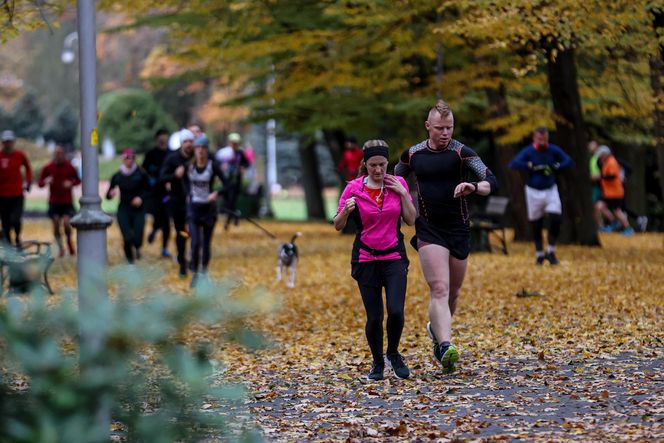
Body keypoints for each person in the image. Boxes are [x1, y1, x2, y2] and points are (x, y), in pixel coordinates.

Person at [395, 100, 497, 374]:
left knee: (453, 292)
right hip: (428, 228)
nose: (445, 133)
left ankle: (436, 329)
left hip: (459, 228)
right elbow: (396, 178)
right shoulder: (413, 155)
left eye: (449, 128)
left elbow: (490, 180)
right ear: (428, 126)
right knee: (439, 288)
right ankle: (444, 346)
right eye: (439, 128)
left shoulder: (462, 153)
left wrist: (472, 186)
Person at [334, 139, 416, 381]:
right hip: (366, 259)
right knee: (374, 317)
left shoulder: (397, 183)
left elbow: (411, 220)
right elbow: (338, 225)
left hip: (394, 258)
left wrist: (403, 194)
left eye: (382, 164)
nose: (379, 170)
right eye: (373, 165)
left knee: (397, 311)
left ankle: (393, 353)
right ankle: (377, 362)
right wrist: (346, 211)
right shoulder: (353, 188)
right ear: (365, 164)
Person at [508, 127, 573, 265]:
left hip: (550, 189)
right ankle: (539, 254)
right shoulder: (529, 151)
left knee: (555, 217)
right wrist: (528, 165)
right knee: (536, 223)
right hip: (533, 191)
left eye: (545, 139)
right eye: (539, 139)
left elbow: (568, 161)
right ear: (534, 138)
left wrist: (557, 166)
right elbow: (513, 164)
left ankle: (550, 251)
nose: (542, 142)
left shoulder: (553, 150)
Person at [186, 135, 226, 288]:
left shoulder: (213, 166)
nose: (200, 151)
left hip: (209, 210)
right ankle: (195, 274)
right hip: (194, 209)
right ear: (194, 150)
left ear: (207, 150)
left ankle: (204, 273)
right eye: (198, 148)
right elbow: (182, 183)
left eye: (203, 148)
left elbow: (228, 185)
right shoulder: (188, 166)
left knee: (206, 244)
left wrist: (217, 193)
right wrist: (186, 195)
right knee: (195, 243)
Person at [160, 129, 195, 277]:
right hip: (177, 202)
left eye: (190, 142)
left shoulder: (198, 156)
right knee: (181, 233)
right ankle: (182, 261)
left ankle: (194, 261)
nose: (188, 144)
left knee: (194, 232)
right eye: (185, 142)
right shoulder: (172, 158)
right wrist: (175, 175)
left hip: (195, 202)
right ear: (181, 144)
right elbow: (162, 177)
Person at [106, 149, 150, 264]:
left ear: (134, 159)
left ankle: (137, 248)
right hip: (123, 209)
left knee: (137, 237)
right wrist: (111, 194)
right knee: (127, 237)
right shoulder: (117, 175)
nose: (128, 161)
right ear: (122, 160)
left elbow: (149, 190)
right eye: (126, 158)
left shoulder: (141, 173)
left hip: (138, 210)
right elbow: (108, 195)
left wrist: (140, 198)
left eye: (130, 158)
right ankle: (130, 261)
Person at [37, 144, 81, 257]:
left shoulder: (69, 167)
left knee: (67, 223)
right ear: (54, 155)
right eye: (56, 153)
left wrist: (70, 183)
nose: (59, 156)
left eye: (61, 153)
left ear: (64, 154)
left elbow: (78, 180)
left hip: (67, 201)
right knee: (56, 224)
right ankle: (60, 247)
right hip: (54, 201)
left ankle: (69, 242)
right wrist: (46, 181)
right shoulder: (48, 167)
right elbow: (40, 183)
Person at [142, 128, 172, 258]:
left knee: (166, 220)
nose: (163, 138)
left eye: (165, 135)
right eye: (160, 136)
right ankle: (155, 229)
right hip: (154, 193)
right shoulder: (151, 154)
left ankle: (164, 247)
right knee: (157, 216)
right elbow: (144, 171)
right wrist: (150, 181)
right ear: (157, 138)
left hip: (168, 194)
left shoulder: (172, 154)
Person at [0, 130, 32, 247]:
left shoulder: (19, 155)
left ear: (13, 142)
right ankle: (9, 245)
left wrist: (28, 182)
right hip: (2, 195)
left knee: (15, 220)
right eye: (5, 142)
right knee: (6, 222)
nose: (8, 144)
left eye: (10, 142)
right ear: (2, 143)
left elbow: (28, 168)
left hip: (17, 194)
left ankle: (18, 237)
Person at [594, 145, 635, 235]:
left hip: (615, 192)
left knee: (617, 211)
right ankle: (609, 224)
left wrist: (600, 177)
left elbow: (612, 176)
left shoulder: (612, 162)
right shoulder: (606, 162)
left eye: (601, 155)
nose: (600, 157)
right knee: (598, 207)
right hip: (608, 192)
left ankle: (628, 228)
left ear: (605, 154)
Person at [215, 132, 249, 229]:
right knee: (226, 202)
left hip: (236, 181)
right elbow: (216, 163)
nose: (234, 145)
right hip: (226, 181)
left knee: (232, 202)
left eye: (236, 143)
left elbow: (247, 163)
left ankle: (229, 221)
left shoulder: (241, 153)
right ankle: (234, 215)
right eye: (233, 143)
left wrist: (242, 167)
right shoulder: (224, 153)